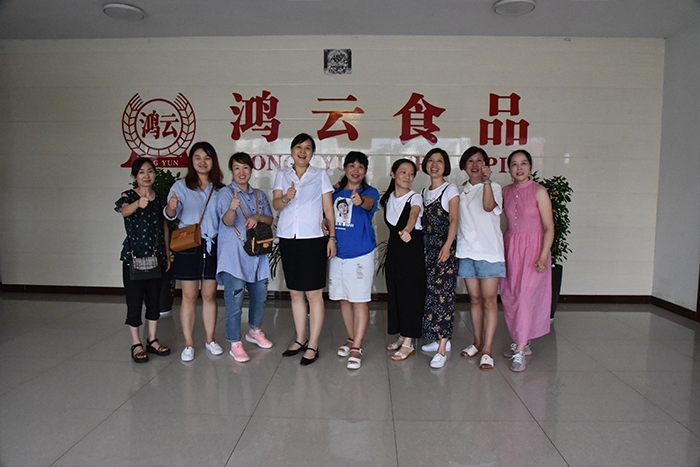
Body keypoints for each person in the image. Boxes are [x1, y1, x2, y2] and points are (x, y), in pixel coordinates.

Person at [272, 133, 336, 366]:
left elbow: (328, 209)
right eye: (298, 147)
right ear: (291, 151)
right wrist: (286, 197)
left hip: (314, 239)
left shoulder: (320, 175)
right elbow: (276, 204)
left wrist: (332, 237)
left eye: (308, 148)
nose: (302, 151)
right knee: (295, 293)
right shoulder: (282, 175)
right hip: (289, 239)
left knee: (314, 294)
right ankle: (300, 338)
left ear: (312, 153)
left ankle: (313, 344)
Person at [164, 141, 225, 362]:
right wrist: (171, 206)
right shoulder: (180, 186)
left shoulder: (221, 189)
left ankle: (210, 339)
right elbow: (170, 214)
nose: (202, 162)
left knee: (209, 295)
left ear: (213, 161)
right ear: (191, 161)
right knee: (189, 296)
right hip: (188, 245)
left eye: (207, 158)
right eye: (198, 157)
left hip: (212, 245)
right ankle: (189, 343)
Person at [217, 152, 274, 363]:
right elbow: (227, 221)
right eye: (237, 168)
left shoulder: (259, 195)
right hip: (234, 257)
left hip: (257, 255)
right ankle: (235, 343)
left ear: (251, 170)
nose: (241, 172)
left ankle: (254, 331)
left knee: (260, 296)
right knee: (235, 301)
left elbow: (269, 219)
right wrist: (232, 209)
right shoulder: (225, 193)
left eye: (245, 168)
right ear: (231, 171)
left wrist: (257, 217)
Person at [500, 149, 554, 372]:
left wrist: (543, 256)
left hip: (533, 251)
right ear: (509, 169)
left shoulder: (539, 191)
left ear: (530, 167)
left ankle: (520, 349)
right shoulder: (505, 191)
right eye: (514, 164)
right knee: (510, 295)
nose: (519, 168)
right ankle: (523, 340)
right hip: (511, 247)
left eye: (523, 163)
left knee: (525, 297)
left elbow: (549, 228)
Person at [115, 157, 171, 363]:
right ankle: (136, 343)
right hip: (134, 258)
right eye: (141, 172)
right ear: (135, 176)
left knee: (154, 301)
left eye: (150, 171)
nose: (146, 176)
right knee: (135, 301)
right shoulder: (128, 196)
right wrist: (137, 204)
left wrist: (167, 253)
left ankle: (152, 340)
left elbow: (164, 226)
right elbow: (124, 211)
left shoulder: (160, 198)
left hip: (156, 257)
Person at [455, 146, 505, 371]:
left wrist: (486, 182)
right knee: (474, 299)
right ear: (464, 166)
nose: (475, 165)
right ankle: (476, 342)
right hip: (466, 252)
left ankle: (487, 349)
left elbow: (487, 206)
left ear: (486, 164)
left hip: (489, 253)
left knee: (489, 301)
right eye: (470, 161)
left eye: (479, 160)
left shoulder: (494, 187)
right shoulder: (461, 190)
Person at [329, 151, 380, 370]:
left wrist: (360, 199)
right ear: (345, 168)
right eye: (352, 166)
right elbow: (328, 216)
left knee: (359, 301)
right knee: (343, 299)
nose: (356, 170)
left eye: (360, 167)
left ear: (365, 170)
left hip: (361, 254)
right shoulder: (335, 193)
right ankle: (351, 339)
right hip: (338, 254)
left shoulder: (370, 192)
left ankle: (357, 347)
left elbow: (369, 204)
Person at [381, 159, 425, 361]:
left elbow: (414, 215)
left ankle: (408, 342)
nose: (407, 177)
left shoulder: (415, 198)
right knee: (396, 294)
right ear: (393, 173)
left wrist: (407, 230)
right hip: (394, 253)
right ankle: (401, 334)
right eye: (403, 172)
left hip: (411, 253)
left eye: (411, 173)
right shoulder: (387, 198)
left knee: (410, 296)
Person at [419, 148, 459, 369]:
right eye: (431, 160)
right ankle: (438, 339)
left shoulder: (450, 189)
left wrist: (447, 245)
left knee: (444, 296)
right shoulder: (424, 192)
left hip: (444, 250)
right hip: (427, 250)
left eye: (440, 161)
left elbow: (453, 220)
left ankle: (442, 348)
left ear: (446, 166)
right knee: (432, 295)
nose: (434, 165)